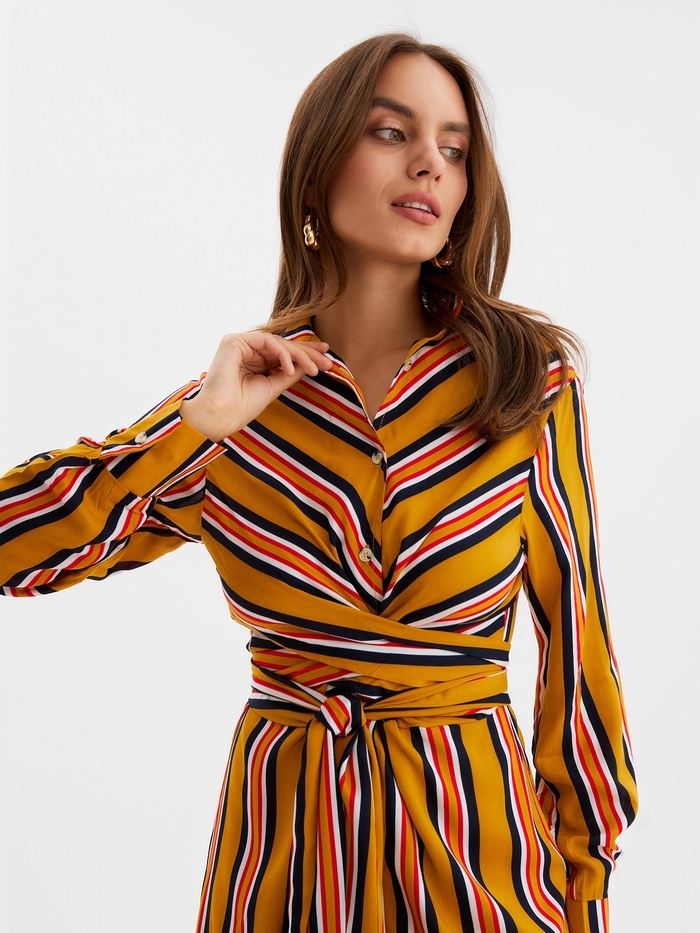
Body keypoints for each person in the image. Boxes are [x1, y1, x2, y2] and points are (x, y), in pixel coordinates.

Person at [0, 33, 637, 933]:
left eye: (455, 149)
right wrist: (191, 431)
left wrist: (587, 884)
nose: (430, 163)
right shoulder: (236, 406)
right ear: (317, 166)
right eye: (392, 131)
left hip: (478, 864)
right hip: (286, 862)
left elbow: (581, 654)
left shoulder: (524, 385)